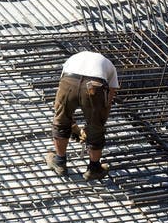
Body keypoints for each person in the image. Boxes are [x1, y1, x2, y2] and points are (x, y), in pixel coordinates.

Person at [46, 51, 119, 180]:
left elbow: (62, 94)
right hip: (94, 85)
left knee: (61, 120)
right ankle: (94, 168)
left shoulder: (74, 58)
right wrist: (94, 125)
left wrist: (72, 125)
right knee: (96, 127)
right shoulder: (110, 66)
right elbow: (108, 102)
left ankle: (59, 162)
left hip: (69, 79)